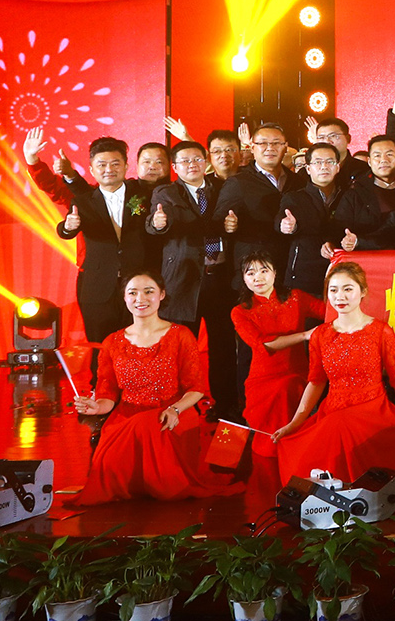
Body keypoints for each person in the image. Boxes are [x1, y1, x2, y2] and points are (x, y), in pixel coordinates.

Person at [72, 271, 238, 505]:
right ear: (124, 298)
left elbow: (196, 388)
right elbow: (108, 394)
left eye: (148, 291)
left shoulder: (181, 335)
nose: (140, 298)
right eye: (133, 293)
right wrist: (96, 407)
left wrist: (175, 409)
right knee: (109, 470)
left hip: (173, 416)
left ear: (161, 295)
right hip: (126, 418)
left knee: (148, 435)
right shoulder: (112, 342)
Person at [272, 261, 395, 483]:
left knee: (342, 426)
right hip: (334, 412)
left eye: (347, 289)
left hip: (373, 411)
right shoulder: (320, 335)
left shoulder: (381, 331)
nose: (339, 297)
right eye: (333, 290)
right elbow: (316, 382)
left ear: (363, 292)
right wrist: (294, 423)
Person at [146, 140, 240, 416]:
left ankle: (226, 406)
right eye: (185, 161)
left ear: (206, 161)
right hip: (184, 279)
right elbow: (156, 223)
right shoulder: (166, 192)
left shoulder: (221, 188)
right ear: (174, 167)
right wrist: (157, 224)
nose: (192, 165)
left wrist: (233, 227)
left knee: (224, 346)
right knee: (181, 348)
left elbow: (232, 219)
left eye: (197, 159)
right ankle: (178, 407)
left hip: (220, 277)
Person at [53, 137, 161, 343]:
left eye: (115, 164)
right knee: (100, 346)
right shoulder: (83, 201)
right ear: (92, 170)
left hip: (139, 283)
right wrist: (68, 227)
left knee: (140, 344)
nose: (109, 169)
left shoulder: (145, 196)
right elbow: (65, 230)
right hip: (97, 285)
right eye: (102, 165)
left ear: (126, 166)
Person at [231, 252, 323, 477]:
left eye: (264, 270)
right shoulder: (240, 312)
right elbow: (264, 344)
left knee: (290, 388)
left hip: (297, 373)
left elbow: (327, 311)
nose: (258, 277)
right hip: (262, 380)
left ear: (274, 273)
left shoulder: (296, 297)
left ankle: (292, 458)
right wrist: (305, 335)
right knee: (267, 448)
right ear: (243, 278)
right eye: (250, 273)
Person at [278, 143, 383, 295]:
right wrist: (286, 226)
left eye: (330, 162)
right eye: (318, 162)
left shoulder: (350, 196)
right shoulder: (295, 198)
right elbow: (280, 220)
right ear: (308, 168)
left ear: (338, 167)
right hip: (304, 277)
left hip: (343, 276)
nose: (324, 167)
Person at [216, 123, 303, 294]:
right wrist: (226, 225)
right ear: (252, 147)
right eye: (263, 143)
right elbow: (217, 221)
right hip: (253, 270)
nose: (270, 148)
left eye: (276, 143)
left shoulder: (298, 182)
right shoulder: (238, 182)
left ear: (286, 147)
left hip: (290, 267)